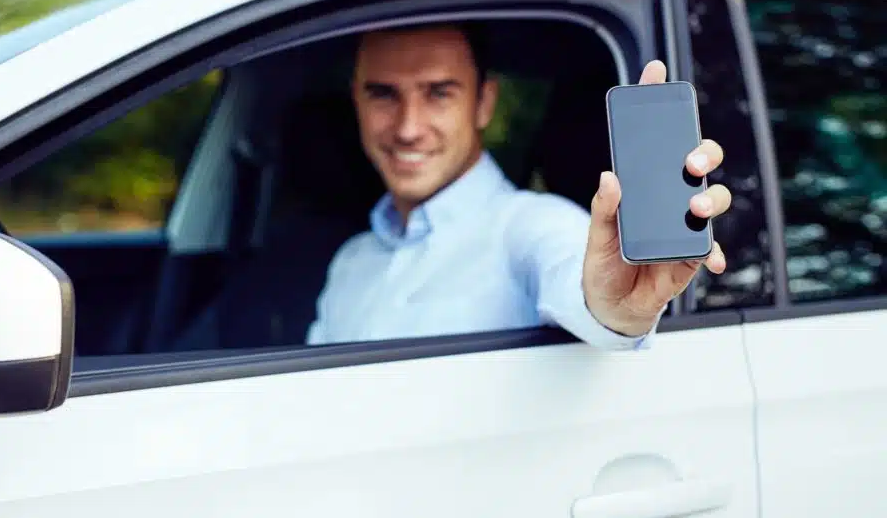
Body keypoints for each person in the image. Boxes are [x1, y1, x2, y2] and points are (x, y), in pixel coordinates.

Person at [305, 23, 731, 348]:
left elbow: (574, 275)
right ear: (355, 101)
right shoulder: (351, 260)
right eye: (383, 94)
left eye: (438, 93)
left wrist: (615, 306)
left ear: (484, 102)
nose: (408, 128)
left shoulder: (531, 226)